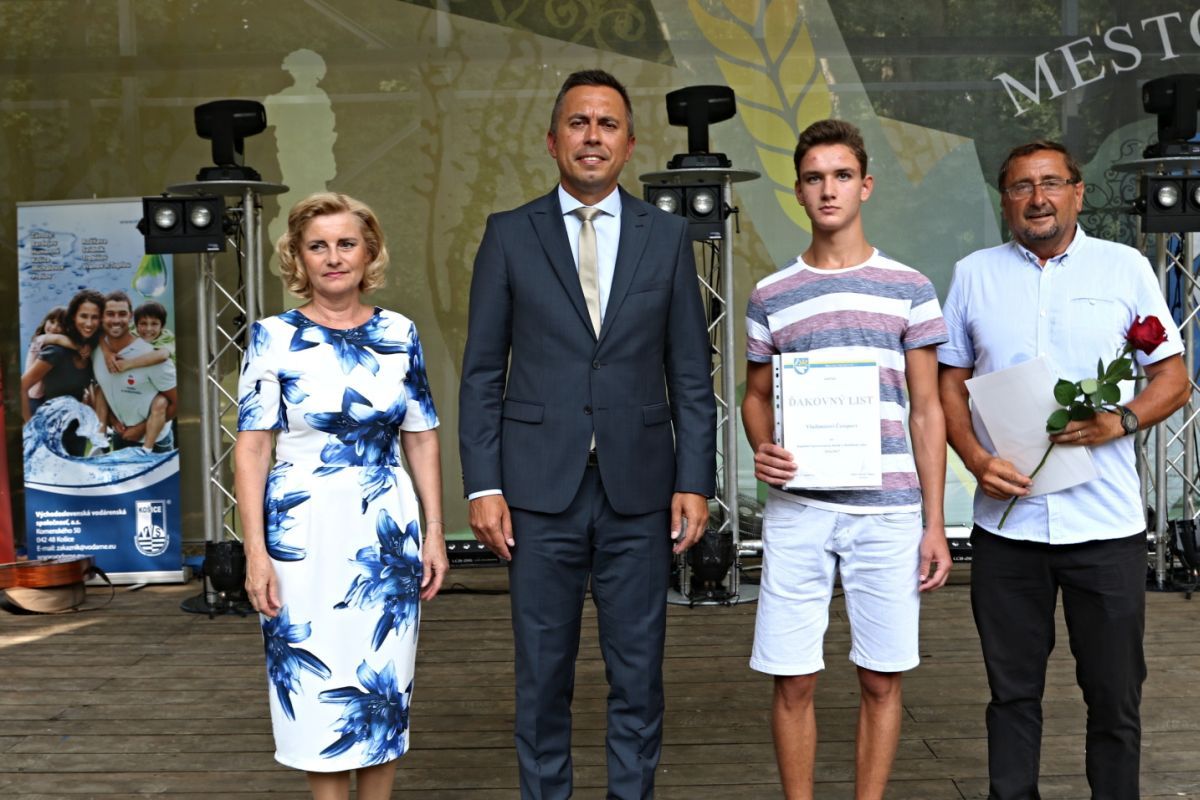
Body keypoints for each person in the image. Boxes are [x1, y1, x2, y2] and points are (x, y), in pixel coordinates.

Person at [458, 69, 716, 799]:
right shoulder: (509, 235)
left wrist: (695, 479)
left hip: (642, 489)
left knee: (638, 672)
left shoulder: (667, 237)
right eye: (578, 122)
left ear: (629, 144)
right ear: (552, 141)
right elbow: (482, 373)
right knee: (543, 674)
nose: (592, 136)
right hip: (537, 492)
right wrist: (482, 485)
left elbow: (690, 372)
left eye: (607, 124)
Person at [937, 139, 1190, 800]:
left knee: (1115, 699)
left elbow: (1173, 378)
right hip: (1008, 529)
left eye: (1051, 183)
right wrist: (973, 458)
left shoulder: (1125, 268)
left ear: (1078, 192)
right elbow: (947, 386)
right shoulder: (973, 275)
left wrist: (1120, 420)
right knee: (1011, 696)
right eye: (1021, 186)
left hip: (1105, 530)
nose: (1037, 198)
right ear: (1005, 201)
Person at [740, 119, 951, 799]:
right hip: (798, 509)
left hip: (889, 514)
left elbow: (927, 410)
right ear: (798, 191)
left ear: (866, 185)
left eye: (841, 175)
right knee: (792, 678)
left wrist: (934, 523)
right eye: (813, 177)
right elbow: (754, 398)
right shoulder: (771, 293)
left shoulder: (910, 287)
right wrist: (762, 446)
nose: (827, 189)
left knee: (881, 678)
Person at [235, 191, 448, 800]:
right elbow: (252, 448)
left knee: (384, 683)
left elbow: (421, 435)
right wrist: (255, 551)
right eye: (318, 246)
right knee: (313, 690)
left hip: (386, 534)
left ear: (369, 252)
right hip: (300, 536)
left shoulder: (400, 332)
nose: (333, 257)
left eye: (346, 243)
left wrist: (435, 532)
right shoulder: (272, 337)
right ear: (298, 258)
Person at [90, 291, 177, 453]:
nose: (116, 319)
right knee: (99, 389)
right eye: (110, 314)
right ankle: (100, 440)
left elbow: (178, 403)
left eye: (122, 314)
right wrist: (112, 420)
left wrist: (140, 429)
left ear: (130, 317)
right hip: (121, 435)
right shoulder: (96, 351)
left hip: (156, 442)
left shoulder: (155, 355)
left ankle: (146, 449)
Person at [20, 289, 104, 426]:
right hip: (40, 409)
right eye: (83, 316)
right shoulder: (52, 349)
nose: (89, 323)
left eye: (94, 317)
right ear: (73, 318)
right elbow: (22, 386)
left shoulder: (92, 351)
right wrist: (30, 425)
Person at [23, 305, 67, 403]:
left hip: (47, 397)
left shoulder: (58, 348)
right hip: (34, 397)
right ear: (45, 321)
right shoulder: (38, 341)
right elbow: (58, 339)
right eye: (52, 322)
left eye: (60, 325)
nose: (54, 327)